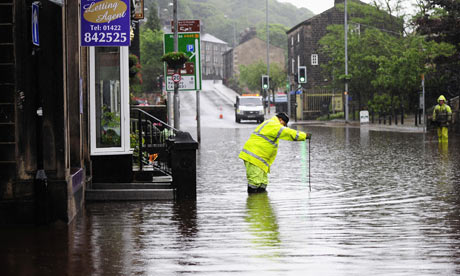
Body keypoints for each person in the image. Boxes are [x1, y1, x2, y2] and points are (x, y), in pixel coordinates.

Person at [239, 112, 312, 193]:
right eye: (284, 124)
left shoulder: (270, 124)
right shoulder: (273, 124)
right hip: (254, 158)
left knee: (263, 183)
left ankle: (261, 203)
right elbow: (287, 133)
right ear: (280, 120)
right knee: (254, 183)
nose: (283, 126)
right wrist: (304, 136)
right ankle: (252, 203)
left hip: (260, 160)